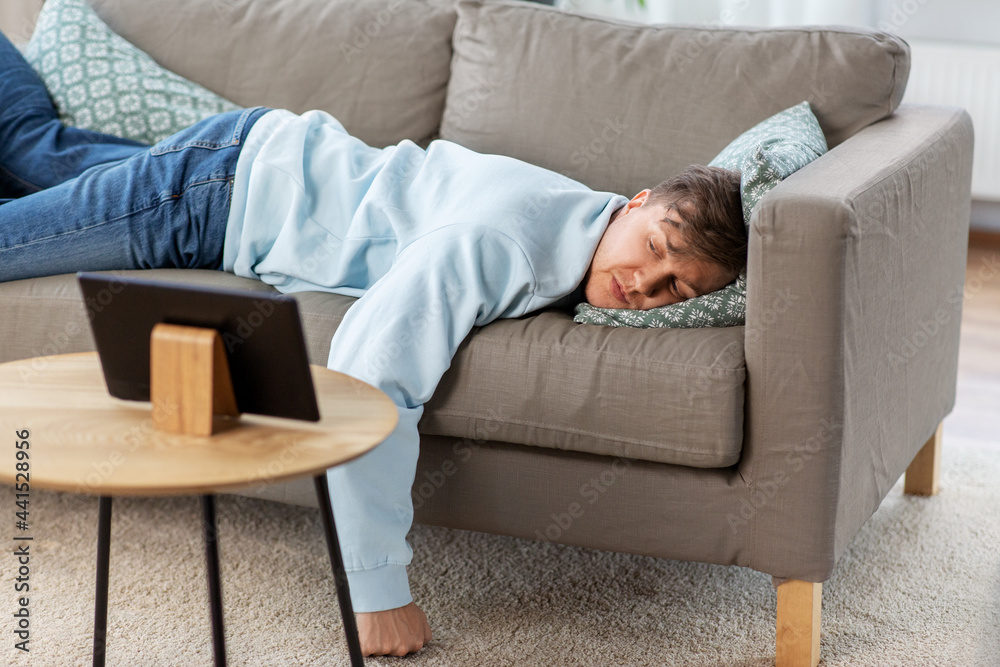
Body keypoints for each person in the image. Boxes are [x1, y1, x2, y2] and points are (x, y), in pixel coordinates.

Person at [0, 34, 745, 656]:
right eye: (654, 247)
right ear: (638, 201)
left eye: (676, 288)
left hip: (249, 158)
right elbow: (371, 376)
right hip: (210, 196)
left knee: (36, 153)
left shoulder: (582, 223)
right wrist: (377, 589)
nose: (642, 285)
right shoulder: (502, 241)